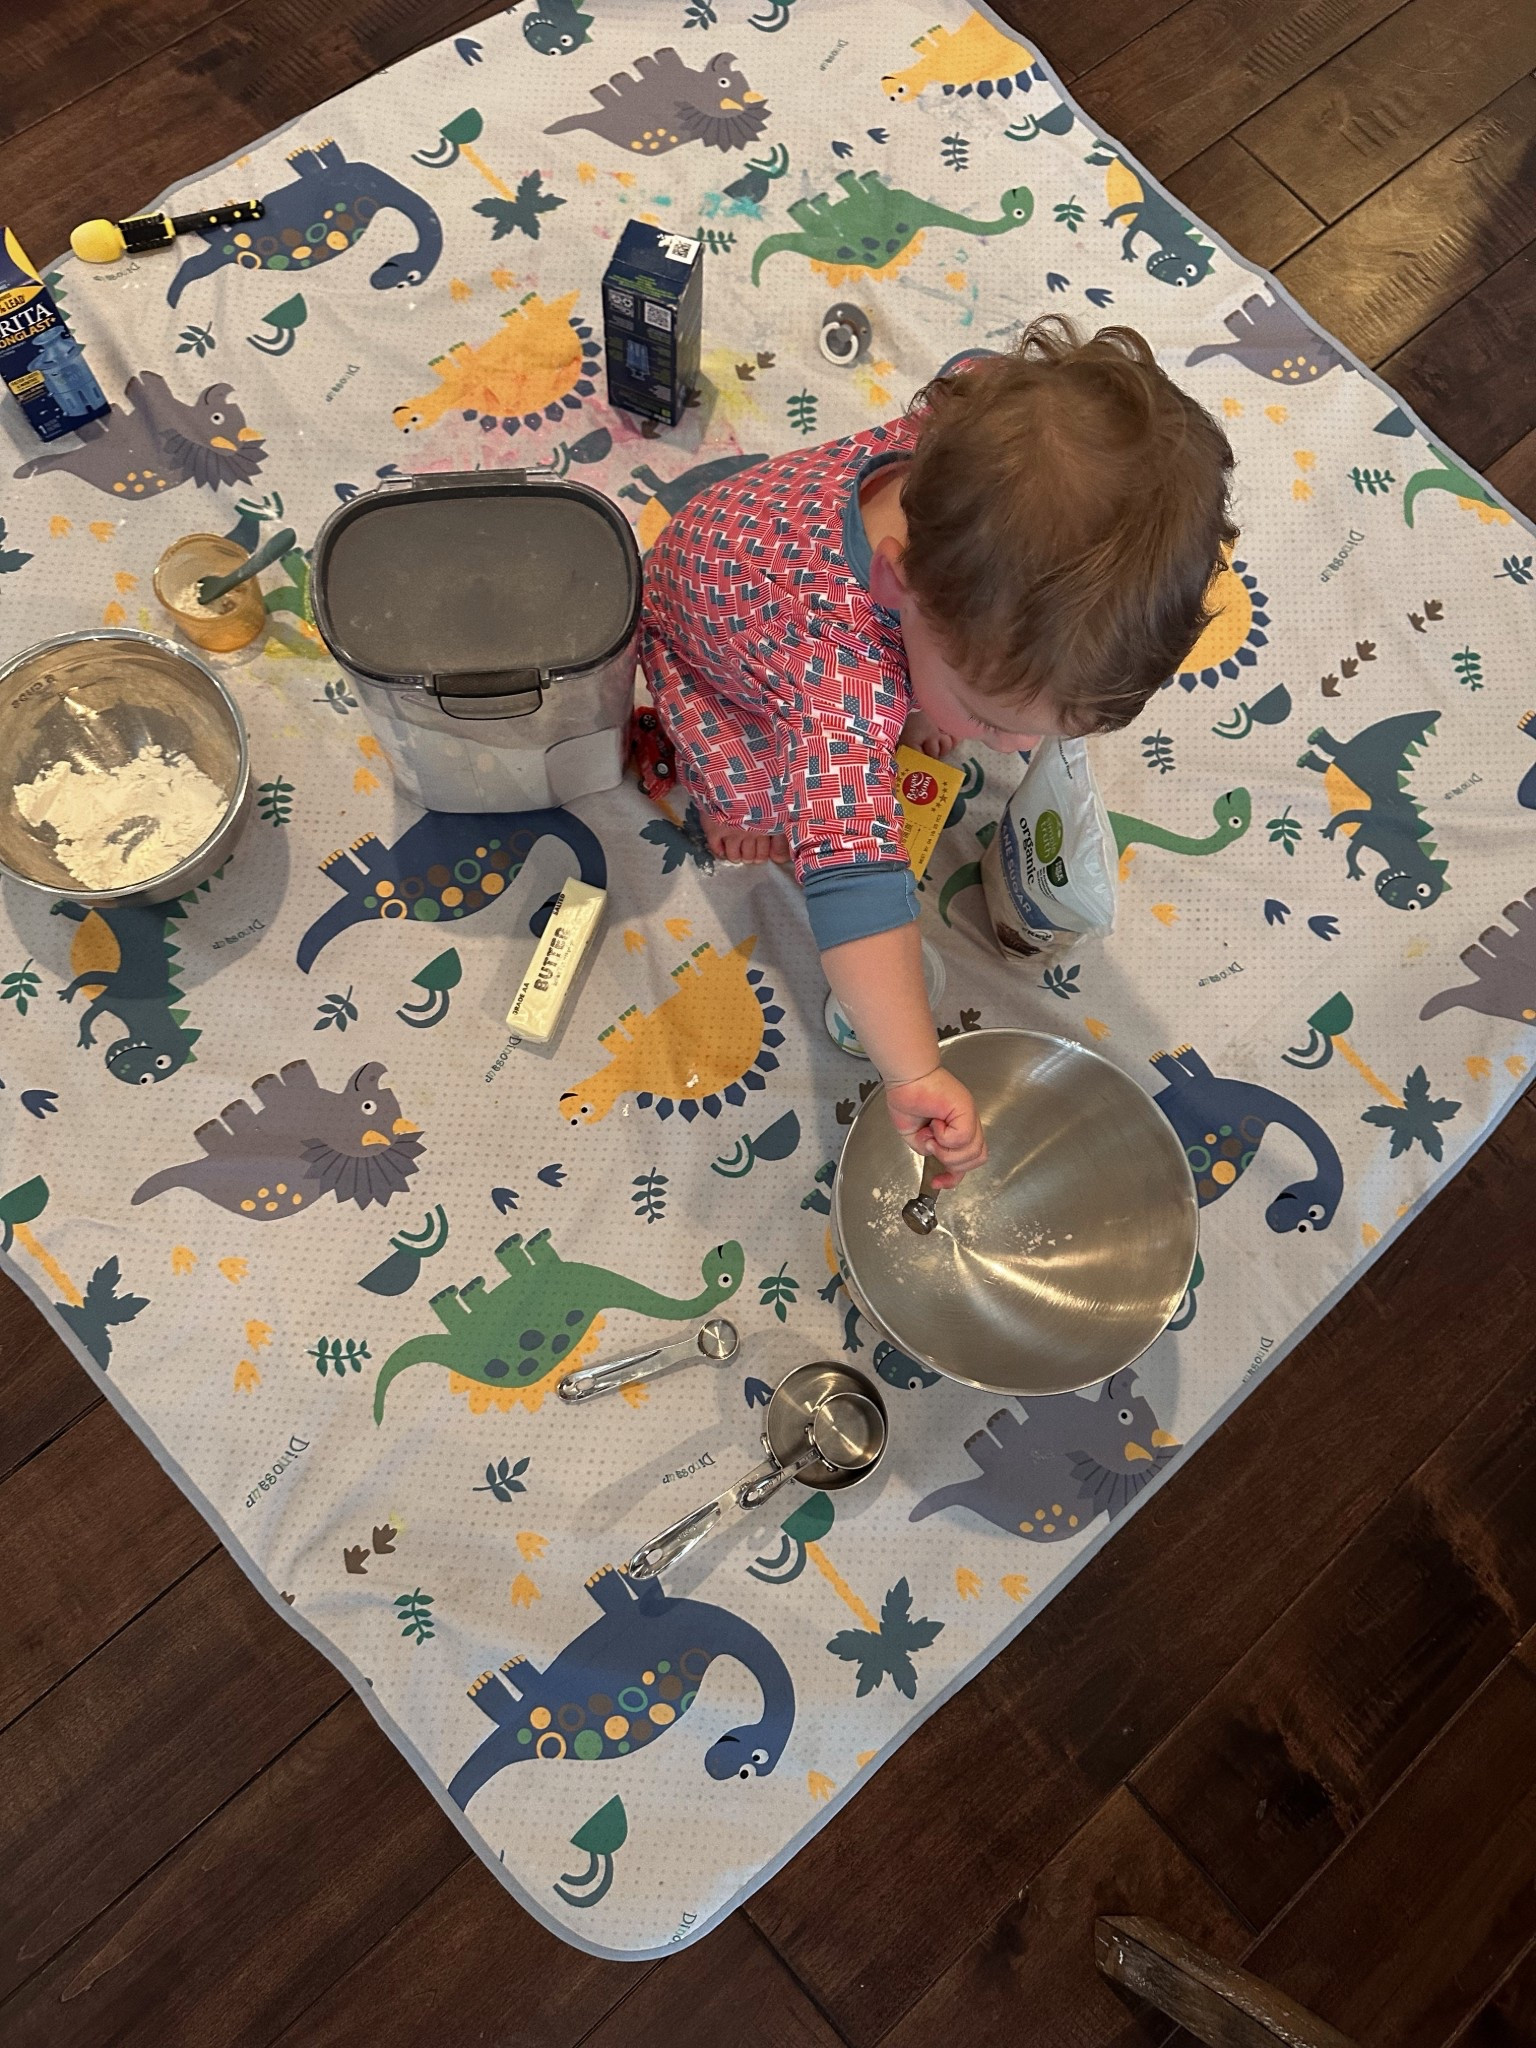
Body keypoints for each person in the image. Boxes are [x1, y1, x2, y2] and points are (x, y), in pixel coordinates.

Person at [639, 316, 1237, 1186]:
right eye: (992, 720)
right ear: (896, 586)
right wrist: (914, 1069)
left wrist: (957, 703)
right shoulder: (840, 683)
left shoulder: (976, 414)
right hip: (705, 649)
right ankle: (737, 799)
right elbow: (855, 886)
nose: (1020, 748)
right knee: (775, 803)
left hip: (762, 531)